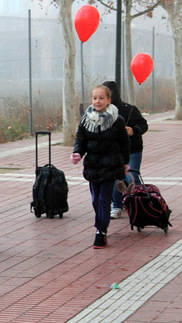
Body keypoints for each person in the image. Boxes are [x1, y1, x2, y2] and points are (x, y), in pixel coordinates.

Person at [70, 85, 130, 249]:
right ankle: (101, 224)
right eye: (95, 98)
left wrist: (126, 162)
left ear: (109, 100)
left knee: (104, 199)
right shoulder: (86, 119)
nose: (98, 101)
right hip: (93, 166)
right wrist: (77, 153)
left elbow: (125, 143)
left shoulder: (117, 120)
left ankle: (100, 232)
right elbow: (80, 139)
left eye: (101, 98)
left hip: (111, 165)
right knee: (96, 200)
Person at [102, 81, 148, 219]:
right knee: (116, 177)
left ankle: (141, 202)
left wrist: (133, 130)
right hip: (114, 151)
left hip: (133, 149)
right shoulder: (101, 113)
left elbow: (144, 125)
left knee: (131, 176)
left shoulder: (130, 110)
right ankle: (117, 206)